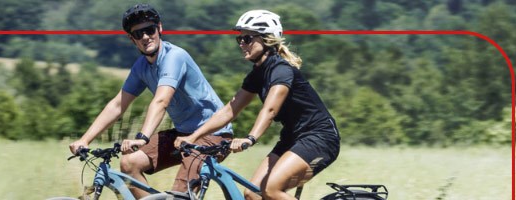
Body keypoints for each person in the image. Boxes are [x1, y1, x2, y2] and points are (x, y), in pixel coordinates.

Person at [67, 3, 233, 198]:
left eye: (149, 30)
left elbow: (161, 101)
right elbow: (118, 104)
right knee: (129, 163)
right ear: (132, 39)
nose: (145, 37)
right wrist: (85, 139)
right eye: (138, 34)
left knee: (180, 196)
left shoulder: (174, 57)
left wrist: (142, 137)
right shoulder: (141, 67)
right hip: (182, 133)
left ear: (159, 28)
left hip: (213, 134)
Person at [174, 10, 341, 200]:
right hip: (292, 138)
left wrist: (250, 138)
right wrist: (194, 137)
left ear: (267, 39)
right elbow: (230, 110)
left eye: (247, 38)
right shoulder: (258, 73)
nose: (242, 44)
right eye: (240, 39)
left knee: (272, 190)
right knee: (252, 193)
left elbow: (270, 110)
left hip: (319, 138)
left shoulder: (281, 70)